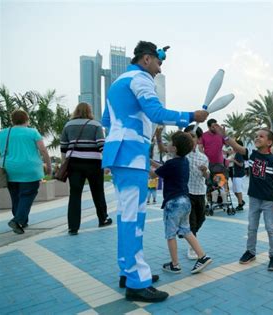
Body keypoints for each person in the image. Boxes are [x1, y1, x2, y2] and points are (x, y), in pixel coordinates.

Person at [102, 40, 208, 302]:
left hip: (120, 153)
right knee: (133, 219)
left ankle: (130, 272)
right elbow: (156, 112)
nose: (159, 70)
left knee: (126, 216)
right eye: (159, 63)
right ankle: (137, 282)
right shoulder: (140, 79)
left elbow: (106, 120)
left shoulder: (118, 83)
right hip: (132, 155)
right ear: (147, 59)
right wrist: (191, 116)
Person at [215, 126, 273, 271]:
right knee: (251, 227)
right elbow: (237, 147)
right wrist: (226, 137)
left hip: (268, 200)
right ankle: (250, 252)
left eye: (261, 136)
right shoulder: (252, 155)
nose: (257, 138)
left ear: (269, 142)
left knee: (271, 229)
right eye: (256, 136)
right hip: (254, 198)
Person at [152, 131, 212, 274]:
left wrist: (144, 165)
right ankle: (202, 256)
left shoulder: (171, 163)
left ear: (175, 148)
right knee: (186, 230)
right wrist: (150, 162)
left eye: (171, 143)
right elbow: (162, 167)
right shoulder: (184, 161)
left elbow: (154, 173)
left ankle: (175, 264)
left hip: (173, 203)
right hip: (185, 201)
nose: (168, 145)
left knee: (170, 234)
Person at [60, 102, 112, 236]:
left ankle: (73, 227)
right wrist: (106, 164)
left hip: (74, 164)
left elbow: (63, 148)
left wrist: (64, 164)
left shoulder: (68, 125)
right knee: (98, 192)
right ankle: (103, 219)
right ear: (89, 111)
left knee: (75, 194)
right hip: (93, 164)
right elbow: (101, 145)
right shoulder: (95, 125)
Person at [0, 109, 52, 234]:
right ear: (26, 120)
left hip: (9, 169)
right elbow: (43, 150)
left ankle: (23, 221)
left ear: (13, 120)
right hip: (30, 170)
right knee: (27, 195)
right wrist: (48, 166)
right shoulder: (32, 132)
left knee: (16, 196)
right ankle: (17, 220)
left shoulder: (3, 133)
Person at [183, 124, 210, 260]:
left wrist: (205, 171)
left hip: (200, 192)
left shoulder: (203, 157)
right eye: (187, 137)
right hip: (186, 193)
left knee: (201, 219)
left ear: (199, 139)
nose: (190, 139)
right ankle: (192, 247)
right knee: (192, 221)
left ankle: (188, 234)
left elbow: (207, 176)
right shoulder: (182, 155)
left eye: (192, 136)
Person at [230, 139, 246, 211]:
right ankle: (241, 201)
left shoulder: (239, 154)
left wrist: (234, 161)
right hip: (236, 175)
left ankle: (240, 205)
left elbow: (241, 164)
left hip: (239, 175)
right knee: (234, 190)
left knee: (238, 190)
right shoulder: (237, 153)